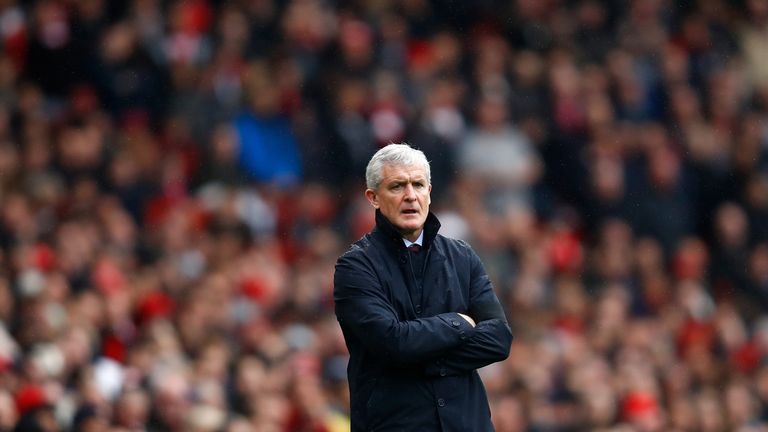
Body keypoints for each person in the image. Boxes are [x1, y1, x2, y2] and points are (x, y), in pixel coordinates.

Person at [334, 143, 513, 431]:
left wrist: (420, 358)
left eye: (418, 184)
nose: (410, 195)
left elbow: (498, 339)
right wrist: (458, 323)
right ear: (373, 197)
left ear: (429, 191)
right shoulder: (355, 267)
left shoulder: (462, 256)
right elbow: (393, 343)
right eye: (397, 186)